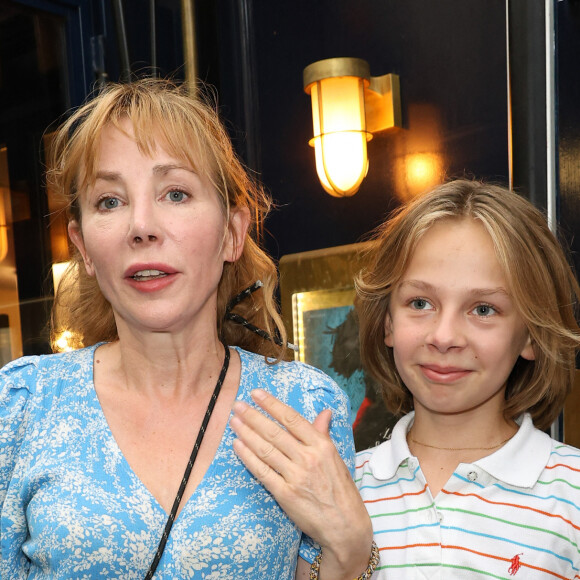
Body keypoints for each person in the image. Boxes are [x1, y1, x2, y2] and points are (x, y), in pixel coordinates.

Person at [0, 78, 372, 579]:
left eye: (175, 193)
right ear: (83, 247)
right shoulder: (21, 406)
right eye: (109, 201)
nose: (141, 225)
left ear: (232, 234)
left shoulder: (304, 407)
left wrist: (350, 549)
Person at [233, 179, 580, 579]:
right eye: (420, 303)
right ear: (387, 323)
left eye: (483, 309)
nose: (444, 336)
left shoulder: (569, 495)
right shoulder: (339, 486)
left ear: (532, 334)